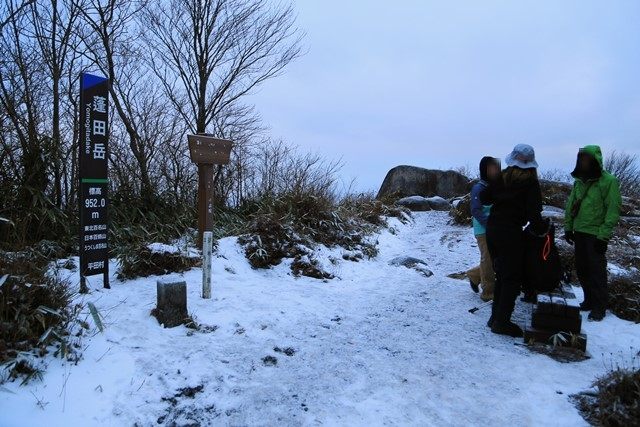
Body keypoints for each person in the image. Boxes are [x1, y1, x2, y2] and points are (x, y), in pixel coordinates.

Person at [481, 144, 546, 337]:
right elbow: (534, 216)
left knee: (501, 273)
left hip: (492, 230)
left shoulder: (502, 177)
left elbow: (484, 198)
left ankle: (495, 318)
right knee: (511, 278)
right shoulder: (531, 184)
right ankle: (501, 322)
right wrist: (541, 229)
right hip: (511, 232)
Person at [564, 145, 622, 321]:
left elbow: (613, 209)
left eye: (586, 159)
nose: (583, 162)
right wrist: (568, 227)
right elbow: (571, 204)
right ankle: (589, 300)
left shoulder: (609, 181)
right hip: (579, 231)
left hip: (596, 234)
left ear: (595, 160)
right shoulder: (579, 180)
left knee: (597, 271)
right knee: (582, 269)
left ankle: (599, 307)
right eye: (581, 159)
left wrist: (603, 236)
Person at [467, 157, 500, 302]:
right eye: (492, 168)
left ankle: (474, 275)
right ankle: (488, 292)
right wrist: (490, 224)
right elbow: (476, 210)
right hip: (483, 230)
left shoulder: (496, 186)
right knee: (487, 260)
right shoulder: (478, 188)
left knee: (492, 259)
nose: (496, 170)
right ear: (484, 169)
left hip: (496, 228)